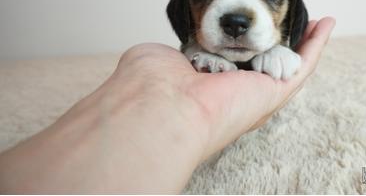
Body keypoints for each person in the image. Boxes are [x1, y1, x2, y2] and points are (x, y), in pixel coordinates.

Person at [0, 17, 335, 193]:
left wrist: (278, 49)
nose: (236, 17)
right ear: (185, 8)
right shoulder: (191, 50)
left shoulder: (273, 41)